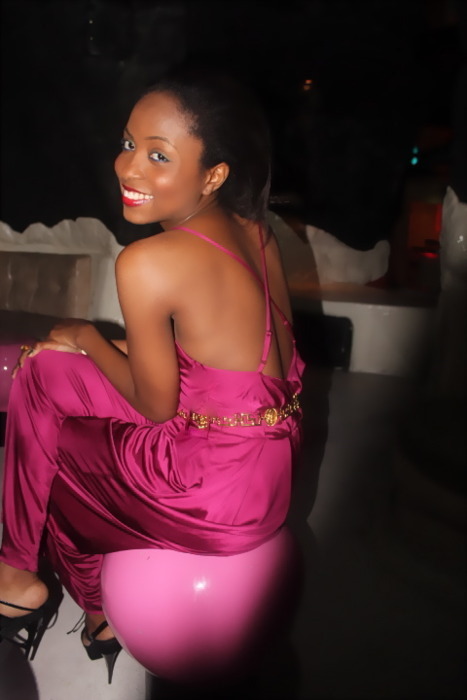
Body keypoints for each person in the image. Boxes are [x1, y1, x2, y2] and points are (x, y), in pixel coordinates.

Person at [0, 69, 304, 682]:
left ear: (213, 174)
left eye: (158, 155)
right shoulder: (257, 232)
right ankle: (16, 571)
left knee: (57, 452)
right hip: (268, 470)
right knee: (46, 372)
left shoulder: (150, 262)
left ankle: (94, 613)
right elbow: (229, 358)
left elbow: (157, 406)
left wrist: (88, 336)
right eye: (128, 143)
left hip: (210, 490)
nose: (128, 168)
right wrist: (81, 351)